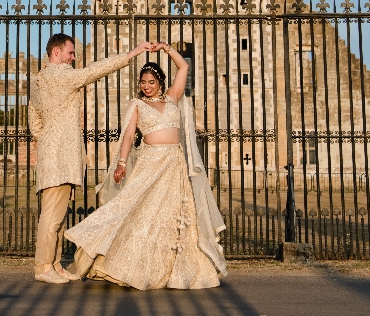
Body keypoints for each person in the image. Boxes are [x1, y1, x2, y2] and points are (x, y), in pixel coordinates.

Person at [64, 42, 228, 290]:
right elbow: (129, 136)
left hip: (174, 164)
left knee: (172, 219)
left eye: (151, 82)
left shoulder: (173, 98)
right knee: (135, 211)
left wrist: (166, 48)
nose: (146, 86)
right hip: (150, 163)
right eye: (143, 82)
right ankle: (108, 260)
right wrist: (121, 163)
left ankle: (173, 269)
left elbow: (183, 66)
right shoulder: (137, 105)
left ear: (160, 82)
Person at [27, 33, 154, 284]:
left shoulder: (38, 80)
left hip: (53, 154)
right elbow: (95, 71)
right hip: (60, 157)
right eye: (71, 53)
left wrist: (50, 138)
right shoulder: (60, 75)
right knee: (52, 215)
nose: (74, 58)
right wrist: (132, 53)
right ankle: (42, 267)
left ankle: (54, 264)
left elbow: (34, 121)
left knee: (59, 214)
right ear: (56, 53)